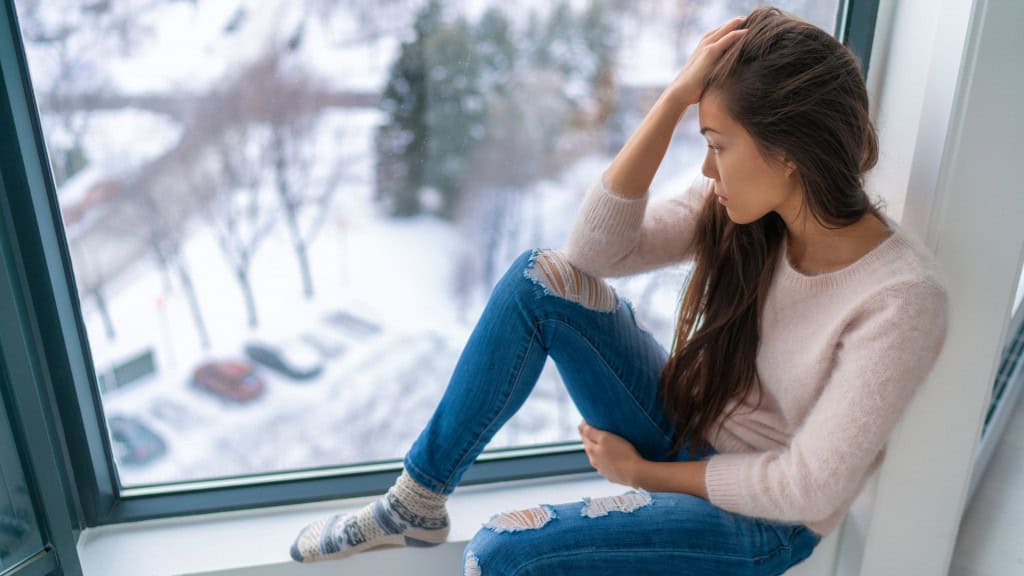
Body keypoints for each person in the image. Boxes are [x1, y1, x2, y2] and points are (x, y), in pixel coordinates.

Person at [289, 6, 949, 575]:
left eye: (718, 144)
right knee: (537, 278)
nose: (705, 166)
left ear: (788, 155)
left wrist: (644, 476)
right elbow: (592, 253)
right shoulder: (741, 207)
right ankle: (415, 501)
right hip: (687, 424)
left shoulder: (900, 299)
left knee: (501, 553)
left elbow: (804, 489)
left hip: (759, 518)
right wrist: (673, 99)